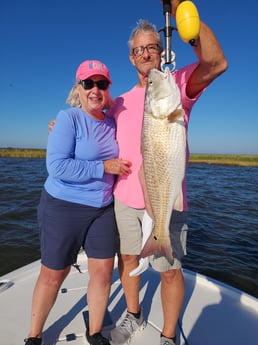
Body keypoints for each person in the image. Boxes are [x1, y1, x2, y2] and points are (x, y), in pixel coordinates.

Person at [108, 1, 228, 345]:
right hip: (125, 199)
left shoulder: (176, 85)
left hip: (165, 197)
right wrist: (59, 127)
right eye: (139, 50)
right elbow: (92, 126)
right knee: (128, 258)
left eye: (152, 47)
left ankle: (168, 334)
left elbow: (217, 62)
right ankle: (133, 315)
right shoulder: (120, 102)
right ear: (131, 58)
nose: (146, 54)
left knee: (170, 271)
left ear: (161, 52)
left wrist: (182, 12)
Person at [24, 60, 132, 345]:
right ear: (79, 88)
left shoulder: (113, 121)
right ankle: (34, 335)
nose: (95, 90)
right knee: (53, 273)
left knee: (103, 272)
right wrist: (103, 167)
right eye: (88, 83)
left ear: (108, 89)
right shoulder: (67, 118)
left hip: (102, 209)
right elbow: (57, 167)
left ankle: (95, 332)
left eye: (101, 84)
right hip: (63, 206)